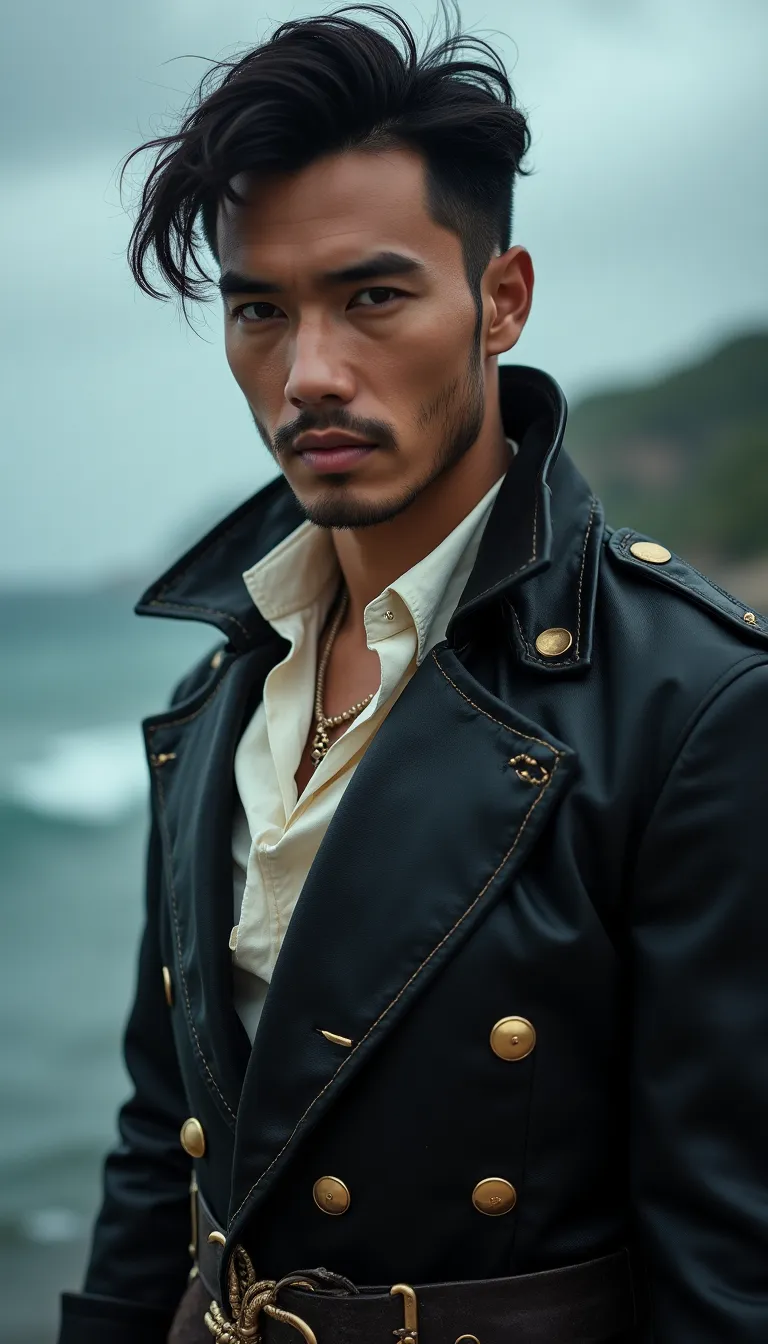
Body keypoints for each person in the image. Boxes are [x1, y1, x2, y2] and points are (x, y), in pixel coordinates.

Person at [58, 6, 768, 1343]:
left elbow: (726, 1259)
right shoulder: (221, 687)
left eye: (372, 296)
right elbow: (165, 1148)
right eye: (260, 310)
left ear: (501, 298)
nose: (307, 374)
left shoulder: (696, 705)